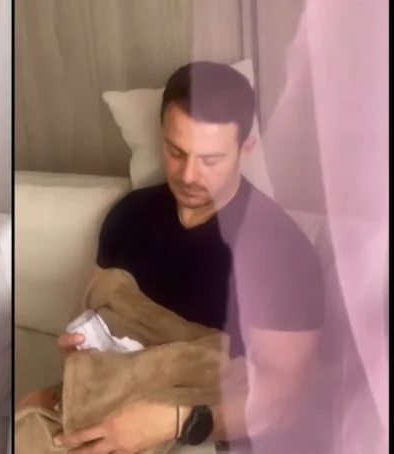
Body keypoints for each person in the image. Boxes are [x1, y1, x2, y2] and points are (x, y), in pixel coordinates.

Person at [19, 62, 326, 453]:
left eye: (210, 160)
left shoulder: (281, 252)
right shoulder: (128, 217)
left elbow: (281, 401)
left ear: (245, 149)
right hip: (109, 402)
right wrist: (75, 360)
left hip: (204, 427)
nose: (189, 175)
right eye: (176, 151)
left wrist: (175, 421)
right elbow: (94, 317)